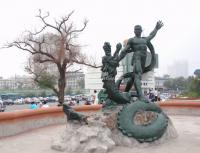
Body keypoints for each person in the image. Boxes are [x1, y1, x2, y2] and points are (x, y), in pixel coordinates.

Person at [119, 21, 163, 101]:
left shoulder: (145, 40)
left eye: (138, 29)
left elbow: (151, 35)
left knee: (133, 77)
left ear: (141, 31)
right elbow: (125, 50)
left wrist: (156, 28)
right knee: (137, 75)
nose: (137, 31)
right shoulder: (132, 40)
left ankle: (125, 93)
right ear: (134, 31)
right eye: (136, 29)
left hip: (143, 61)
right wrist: (119, 58)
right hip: (137, 58)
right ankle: (140, 95)